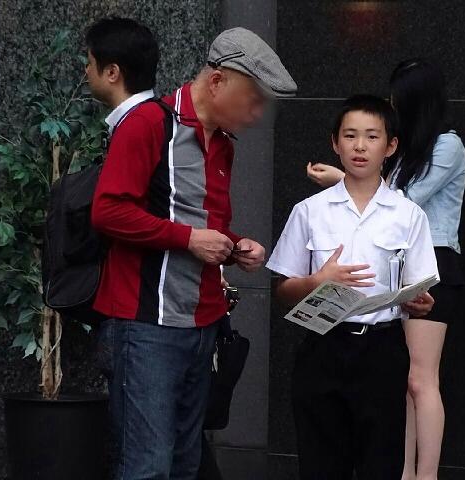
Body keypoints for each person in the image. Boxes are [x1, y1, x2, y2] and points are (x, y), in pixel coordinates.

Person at [86, 18, 297, 479]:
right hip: (145, 325)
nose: (256, 114)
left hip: (201, 324)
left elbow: (202, 223)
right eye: (253, 100)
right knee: (147, 466)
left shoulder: (223, 144)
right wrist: (190, 239)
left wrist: (234, 245)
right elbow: (108, 211)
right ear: (217, 81)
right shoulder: (148, 122)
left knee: (185, 465)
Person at [307, 59, 465, 480]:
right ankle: (404, 472)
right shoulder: (408, 147)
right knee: (404, 380)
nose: (391, 105)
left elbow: (404, 201)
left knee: (421, 379)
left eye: (397, 99)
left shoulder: (447, 146)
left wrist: (343, 178)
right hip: (398, 262)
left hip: (434, 262)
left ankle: (425, 475)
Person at [267, 95, 439, 479]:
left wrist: (419, 303)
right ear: (335, 143)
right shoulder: (309, 211)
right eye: (350, 136)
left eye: (372, 136)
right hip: (322, 345)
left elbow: (420, 288)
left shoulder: (409, 215)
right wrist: (317, 281)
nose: (360, 146)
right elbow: (282, 290)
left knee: (382, 464)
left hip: (382, 350)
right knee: (321, 465)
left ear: (390, 146)